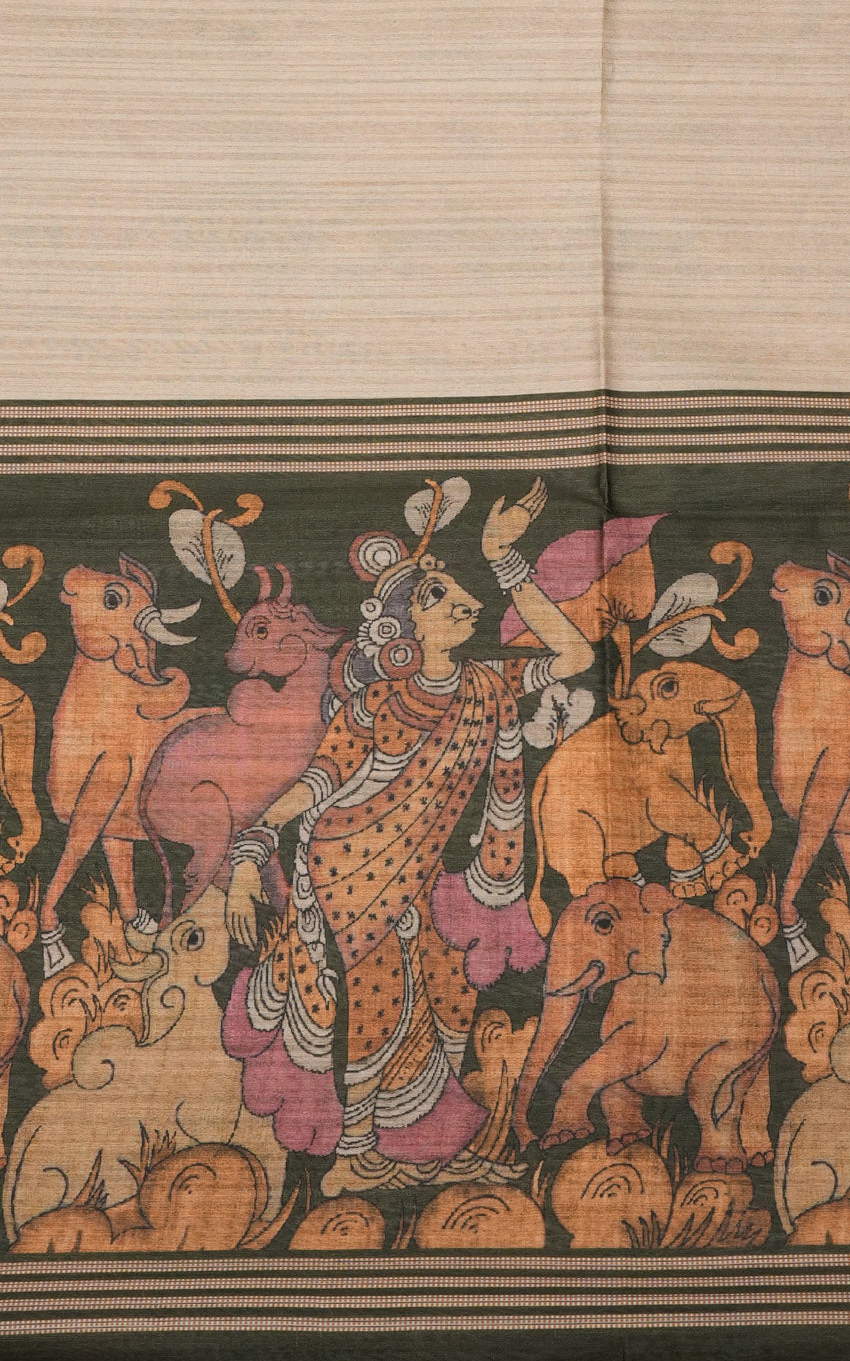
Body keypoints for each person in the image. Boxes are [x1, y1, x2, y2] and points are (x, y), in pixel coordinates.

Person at [223, 478, 593, 1195]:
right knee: (379, 998)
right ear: (407, 626)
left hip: (421, 869)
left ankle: (426, 1148)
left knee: (449, 995)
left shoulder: (487, 685)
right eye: (437, 596)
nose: (462, 601)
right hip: (348, 863)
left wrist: (504, 555)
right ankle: (355, 1155)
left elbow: (575, 654)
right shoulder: (378, 701)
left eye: (460, 590)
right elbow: (320, 781)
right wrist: (250, 852)